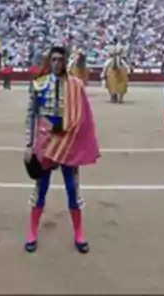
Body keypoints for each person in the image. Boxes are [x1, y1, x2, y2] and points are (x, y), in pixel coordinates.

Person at [23, 44, 101, 254]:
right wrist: (29, 144)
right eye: (54, 60)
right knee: (40, 189)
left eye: (61, 60)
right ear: (50, 61)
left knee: (73, 190)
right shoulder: (38, 85)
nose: (57, 63)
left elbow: (82, 114)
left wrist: (81, 58)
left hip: (69, 142)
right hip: (46, 142)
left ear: (66, 62)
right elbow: (31, 116)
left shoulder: (75, 84)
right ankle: (32, 233)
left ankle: (79, 234)